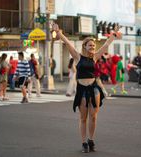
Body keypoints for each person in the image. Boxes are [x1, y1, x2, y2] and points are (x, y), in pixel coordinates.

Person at [52, 23, 122, 153]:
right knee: (83, 118)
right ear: (85, 46)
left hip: (94, 88)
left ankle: (91, 140)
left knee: (94, 116)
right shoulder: (78, 57)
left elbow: (106, 45)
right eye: (90, 45)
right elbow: (68, 44)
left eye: (94, 46)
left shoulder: (95, 56)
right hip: (82, 89)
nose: (93, 47)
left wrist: (114, 34)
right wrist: (59, 33)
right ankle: (84, 142)